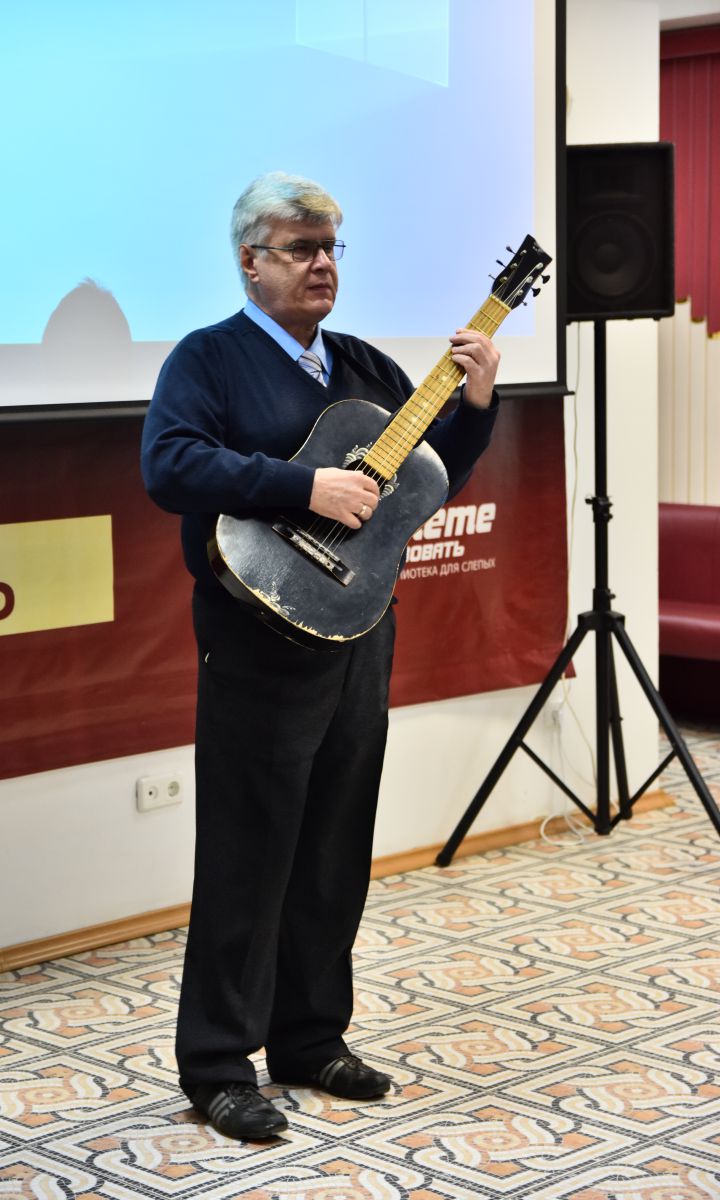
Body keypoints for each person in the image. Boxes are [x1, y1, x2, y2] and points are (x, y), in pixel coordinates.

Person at [141, 171, 500, 1141]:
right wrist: (303, 487)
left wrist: (473, 405)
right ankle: (218, 1064)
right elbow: (168, 465)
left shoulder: (366, 366)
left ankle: (309, 1038)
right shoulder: (207, 359)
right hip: (254, 637)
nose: (323, 265)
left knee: (336, 847)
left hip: (358, 634)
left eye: (332, 248)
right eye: (302, 248)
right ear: (250, 261)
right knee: (246, 854)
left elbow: (421, 485)